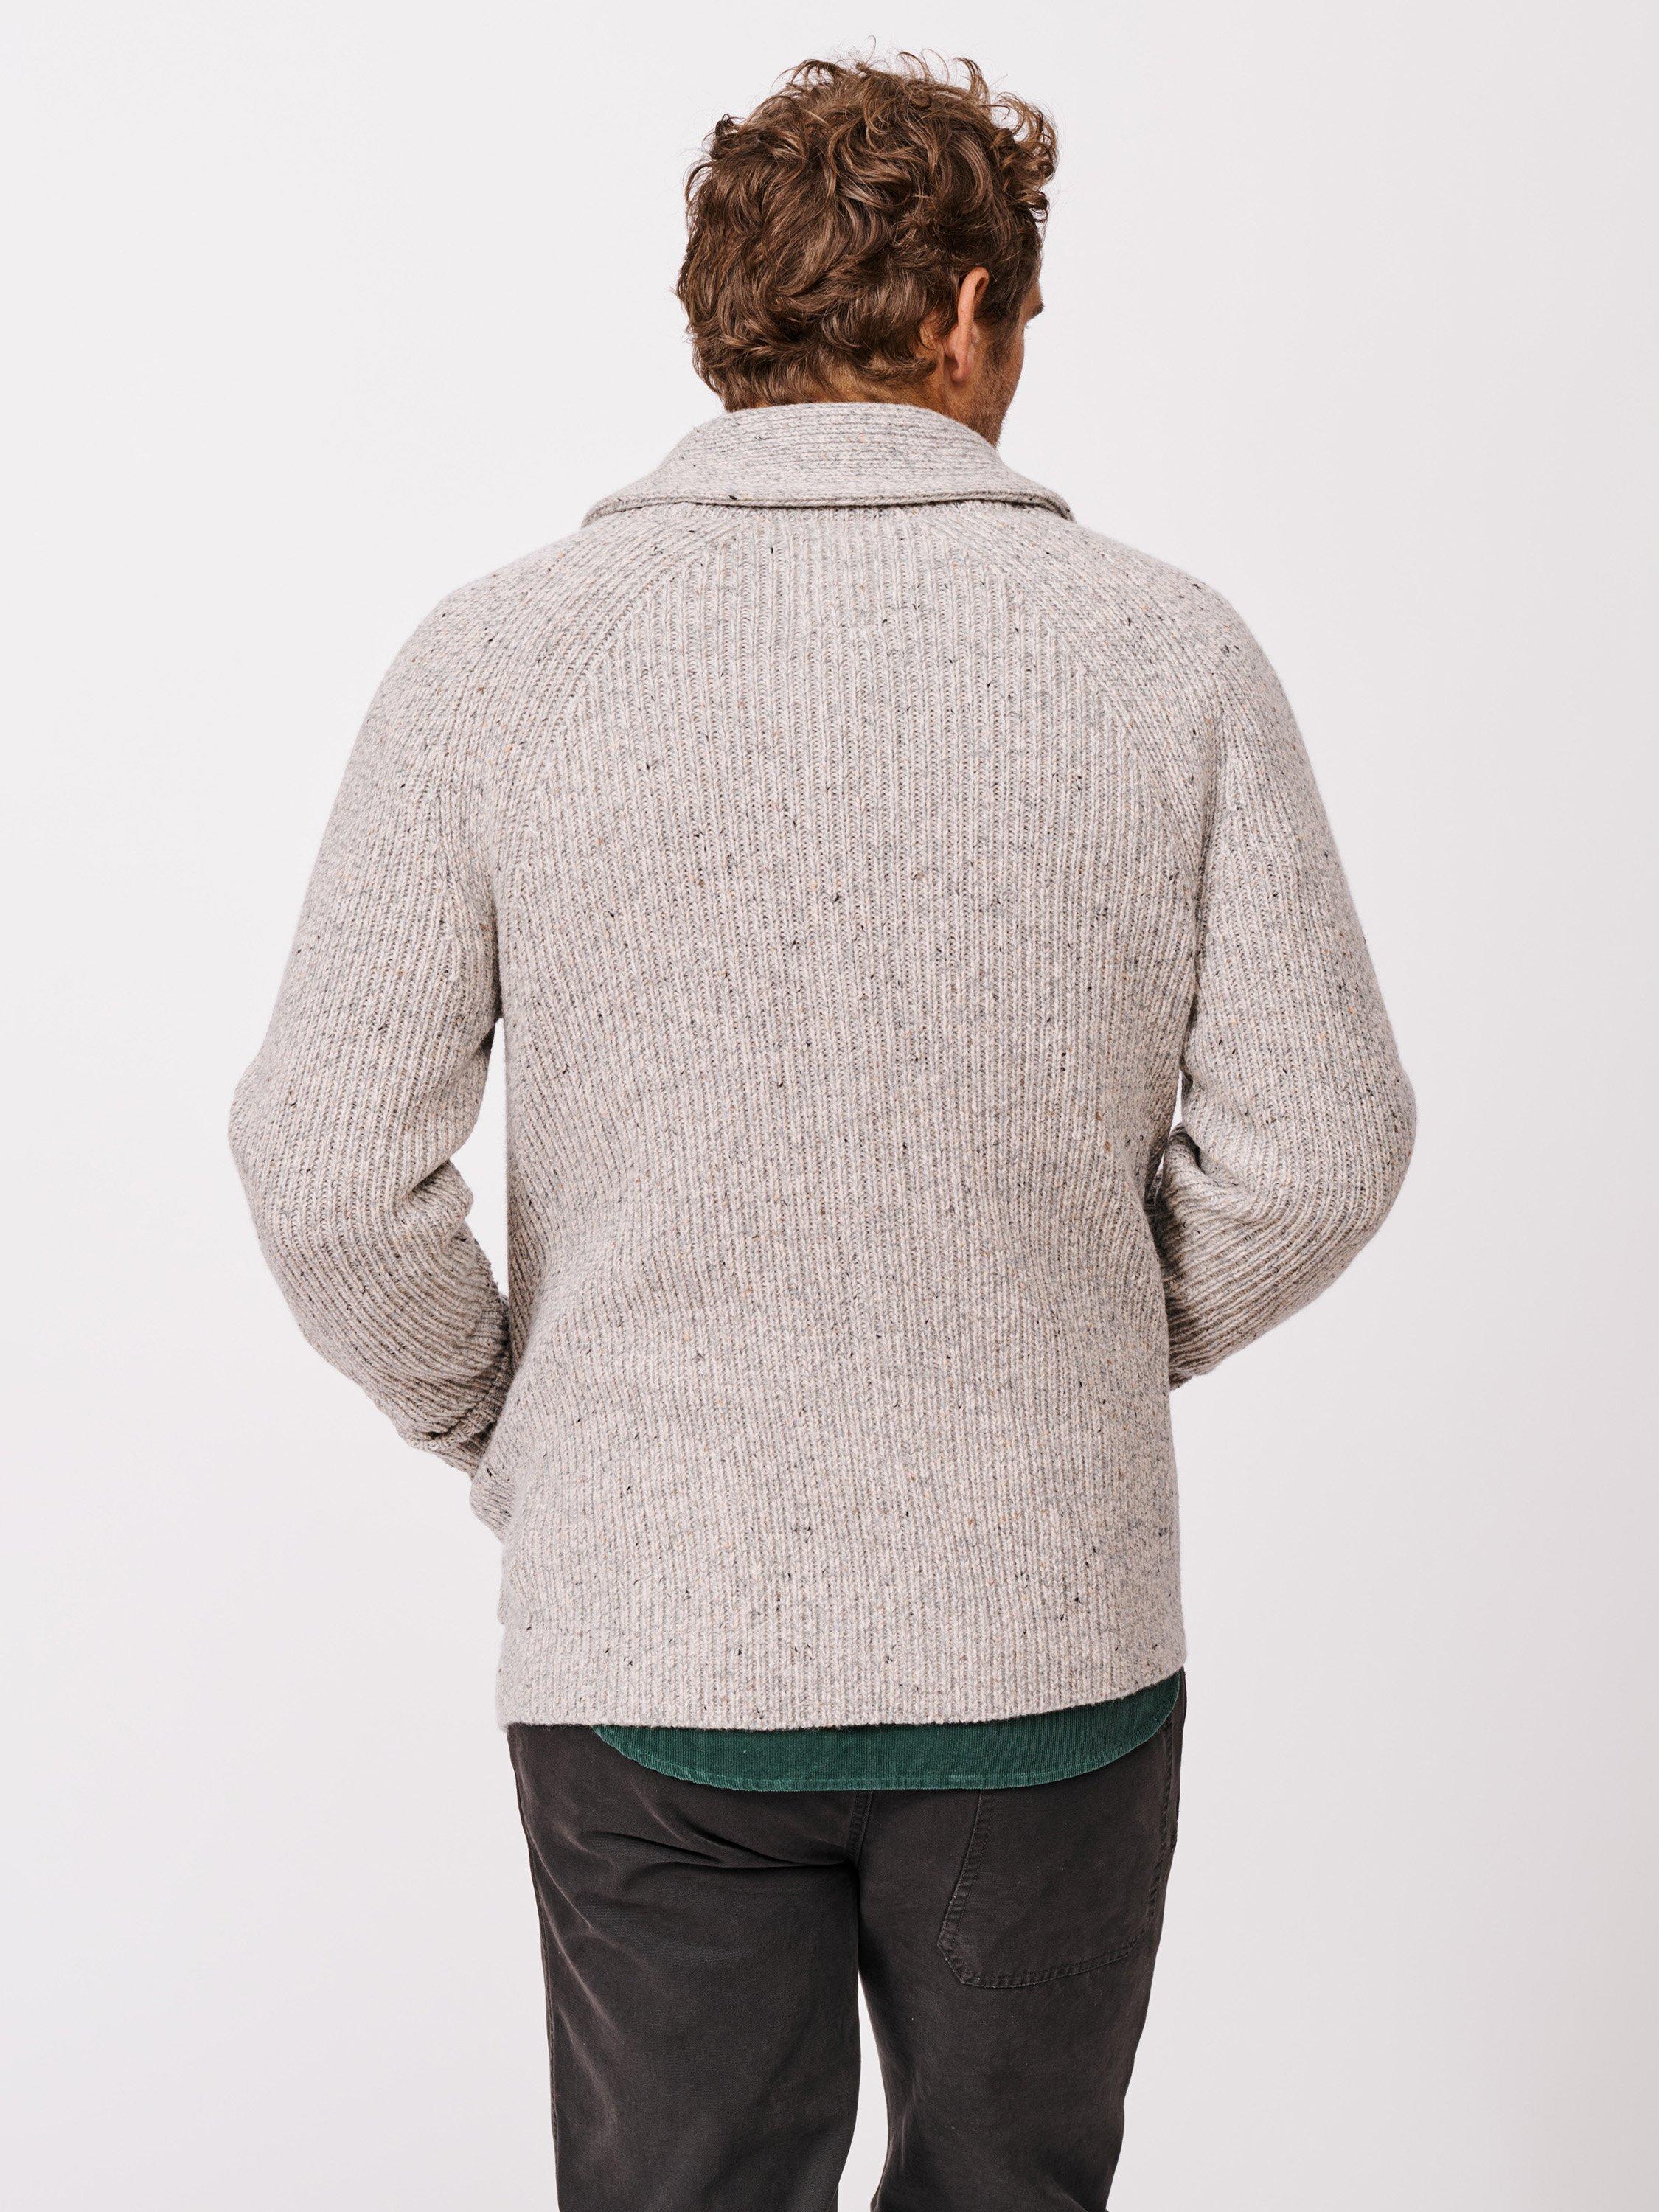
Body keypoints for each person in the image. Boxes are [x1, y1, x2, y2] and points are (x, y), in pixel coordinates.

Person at [231, 52, 1414, 2211]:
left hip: (647, 1647)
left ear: (724, 319)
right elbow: (1322, 1142)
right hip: (1045, 1645)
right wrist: (1073, 1333)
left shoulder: (499, 660)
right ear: (967, 314)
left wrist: (519, 1424)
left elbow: (324, 1170)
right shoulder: (1168, 657)